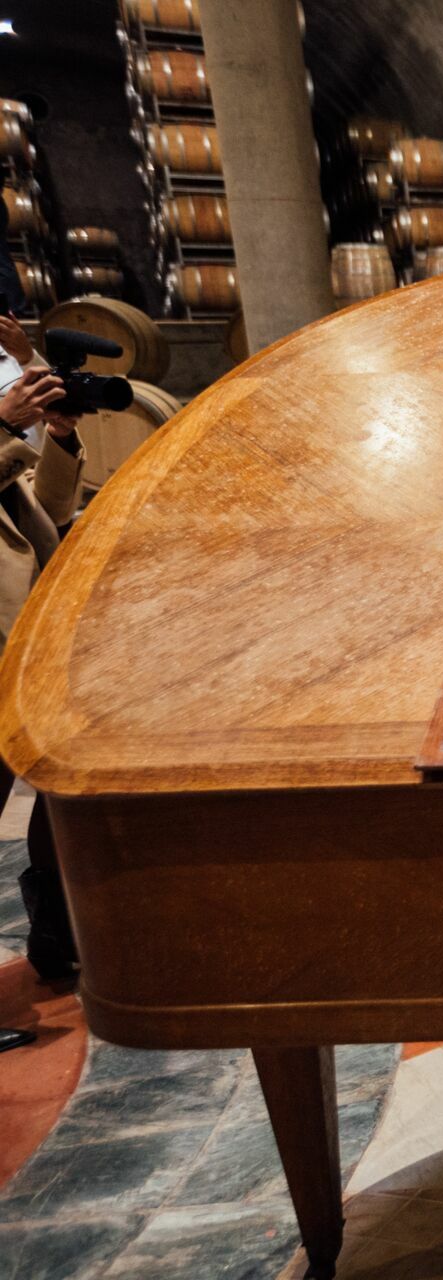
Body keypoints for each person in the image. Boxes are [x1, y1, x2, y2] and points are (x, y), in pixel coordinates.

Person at [0, 309, 85, 1032]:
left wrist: (57, 437)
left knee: (51, 793)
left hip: (24, 642)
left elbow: (50, 509)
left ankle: (57, 939)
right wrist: (3, 426)